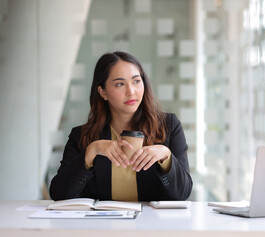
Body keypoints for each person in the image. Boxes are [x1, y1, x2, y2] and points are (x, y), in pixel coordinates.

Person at [50, 51, 193, 201]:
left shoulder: (168, 126)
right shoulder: (82, 135)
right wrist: (92, 151)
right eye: (120, 84)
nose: (131, 92)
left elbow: (182, 194)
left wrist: (166, 156)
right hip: (101, 223)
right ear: (103, 92)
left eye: (136, 81)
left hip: (150, 223)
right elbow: (59, 194)